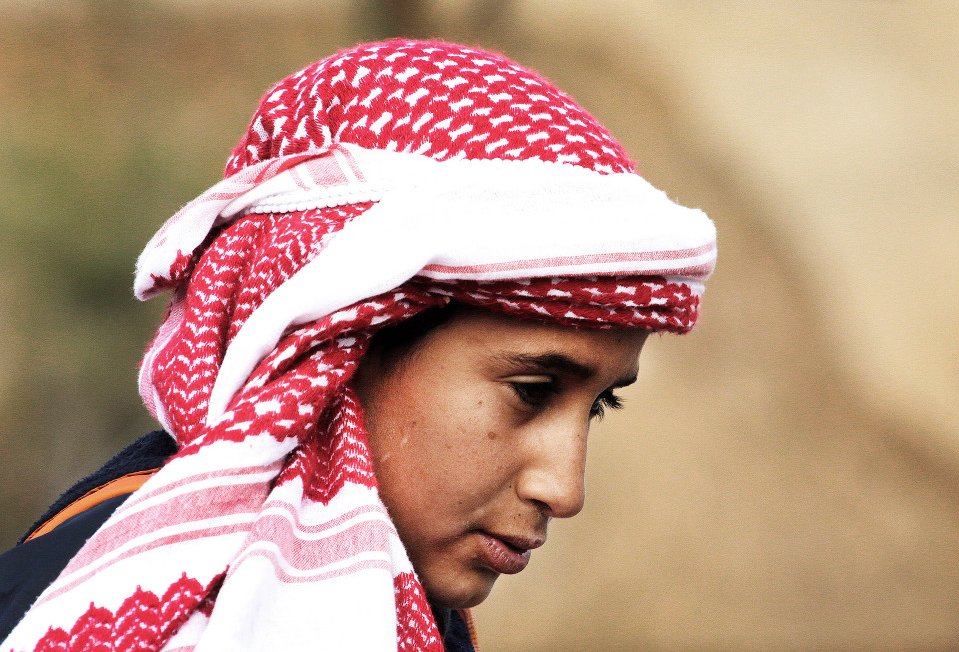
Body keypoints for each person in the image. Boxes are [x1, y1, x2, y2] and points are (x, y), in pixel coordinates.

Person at [0, 39, 716, 651]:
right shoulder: (102, 613)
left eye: (596, 407)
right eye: (531, 392)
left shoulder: (406, 610)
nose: (564, 490)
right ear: (338, 350)